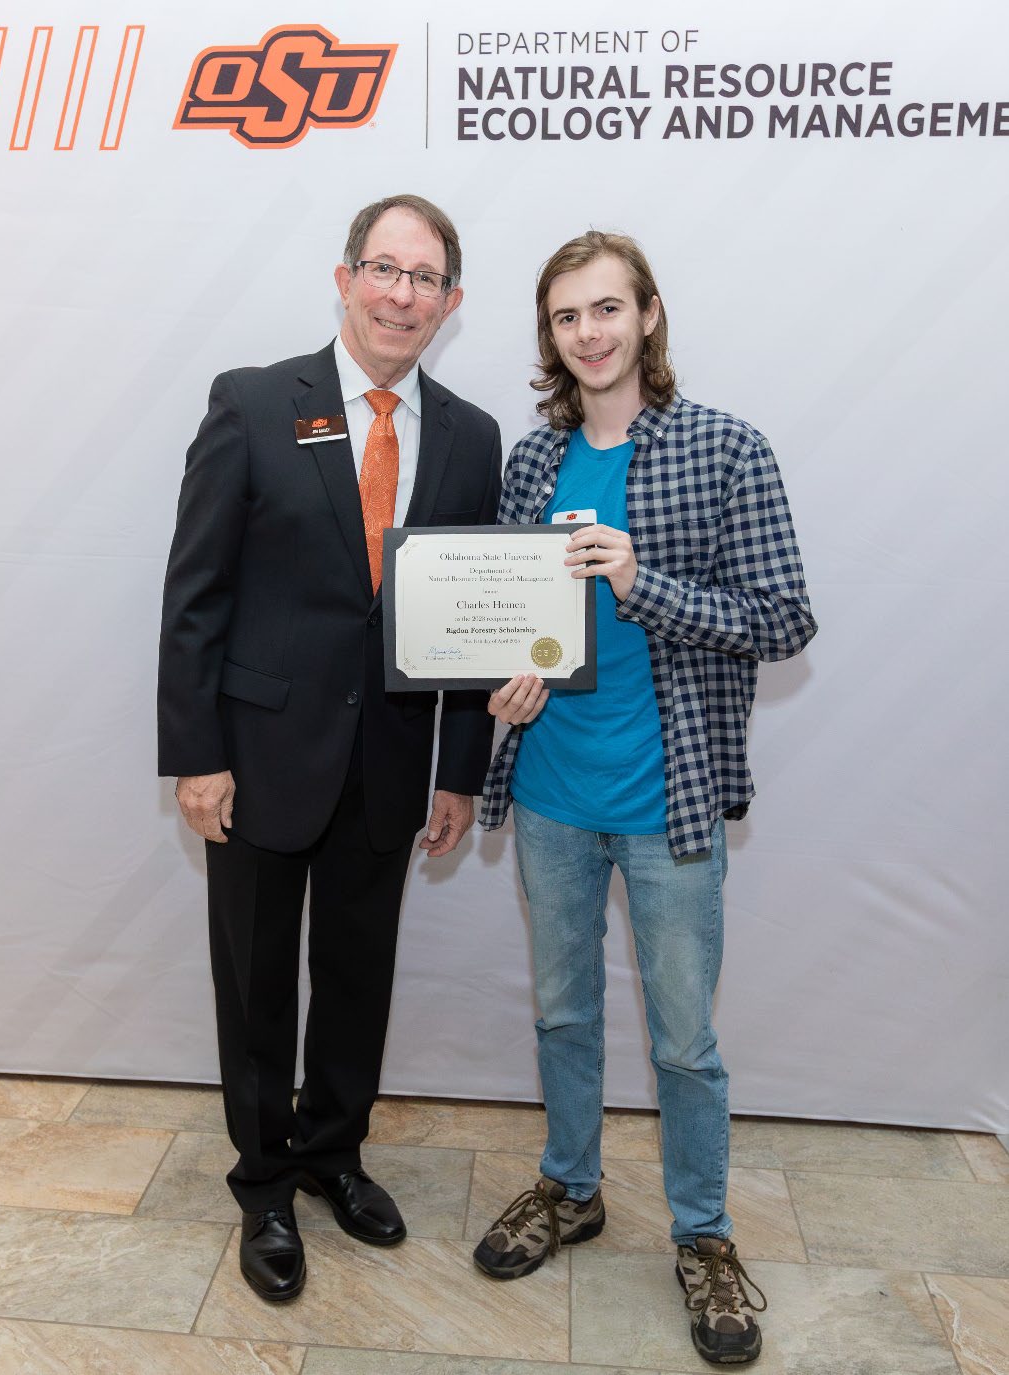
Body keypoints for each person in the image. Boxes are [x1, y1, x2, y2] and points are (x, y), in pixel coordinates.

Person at [473, 230, 816, 1366]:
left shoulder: (724, 449)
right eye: (568, 317)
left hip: (667, 801)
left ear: (649, 315)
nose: (590, 333)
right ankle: (570, 1188)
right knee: (562, 1015)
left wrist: (637, 577)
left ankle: (704, 1235)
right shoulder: (530, 462)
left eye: (608, 309)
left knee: (683, 1044)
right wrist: (505, 681)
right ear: (550, 335)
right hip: (553, 796)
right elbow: (509, 618)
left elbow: (781, 619)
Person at [158, 195, 501, 1303]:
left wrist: (455, 769)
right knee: (255, 981)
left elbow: (467, 622)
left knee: (358, 977)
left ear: (450, 303)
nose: (402, 294)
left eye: (425, 278)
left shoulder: (468, 435)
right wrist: (194, 753)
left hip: (392, 761)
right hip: (256, 758)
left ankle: (331, 1154)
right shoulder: (256, 402)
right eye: (384, 269)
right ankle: (263, 1181)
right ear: (344, 276)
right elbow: (195, 596)